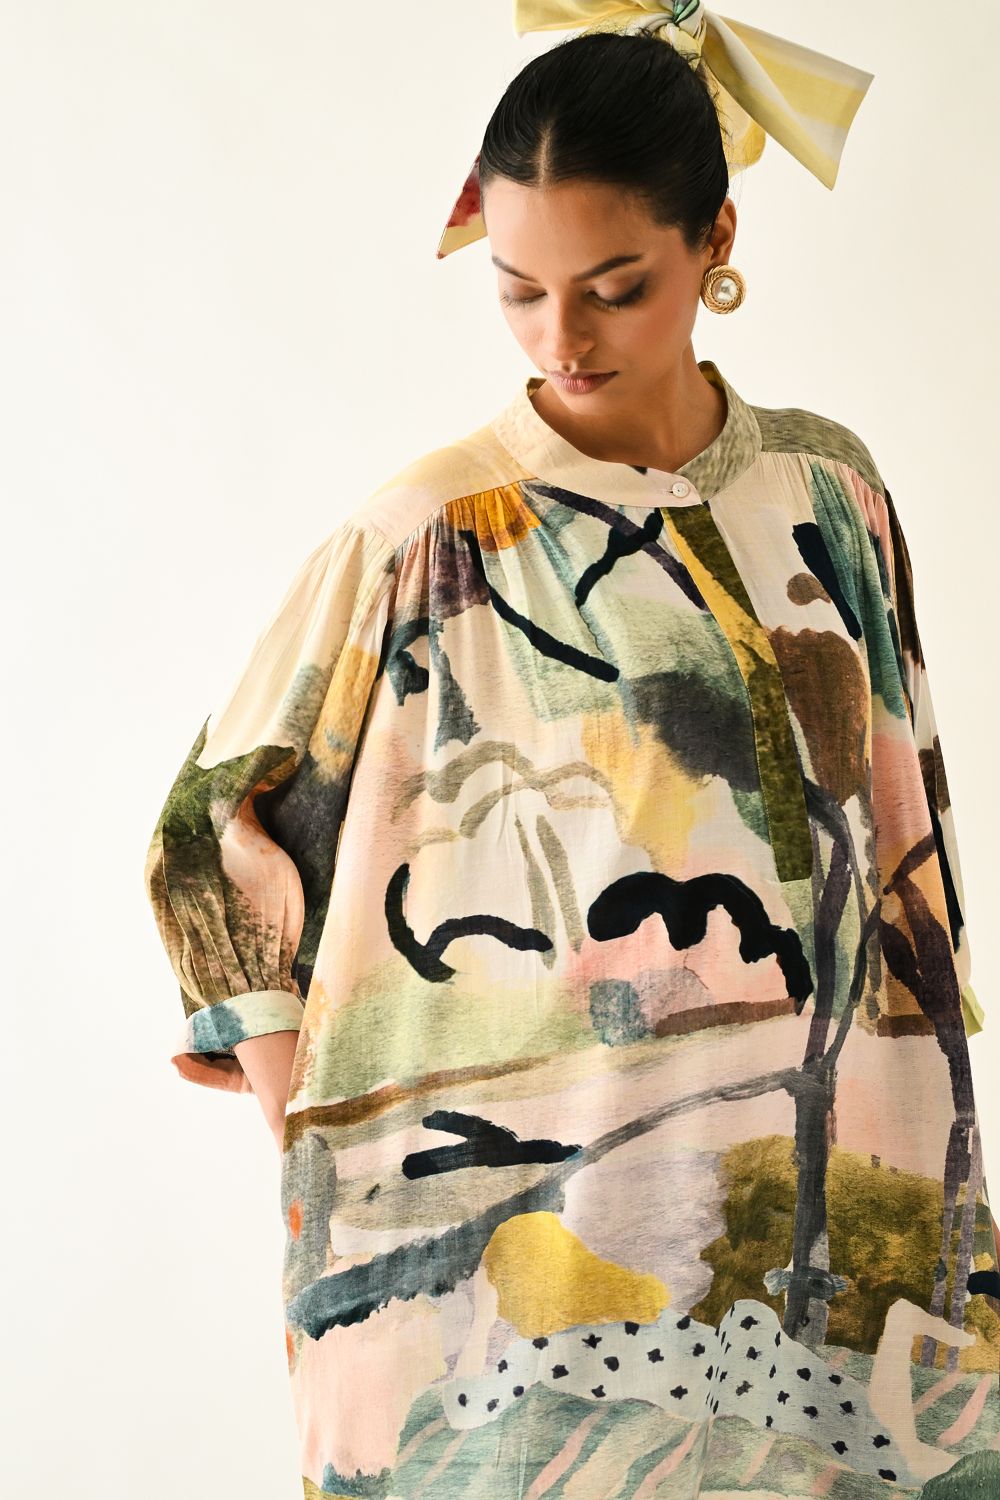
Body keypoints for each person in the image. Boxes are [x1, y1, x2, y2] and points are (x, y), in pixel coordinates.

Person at [143, 3, 1000, 1494]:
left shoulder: (829, 491)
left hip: (836, 1179)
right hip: (489, 1267)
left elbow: (903, 818)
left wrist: (919, 1130)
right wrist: (312, 1143)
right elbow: (203, 840)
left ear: (716, 239)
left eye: (614, 288)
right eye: (519, 291)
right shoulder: (426, 535)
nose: (562, 339)